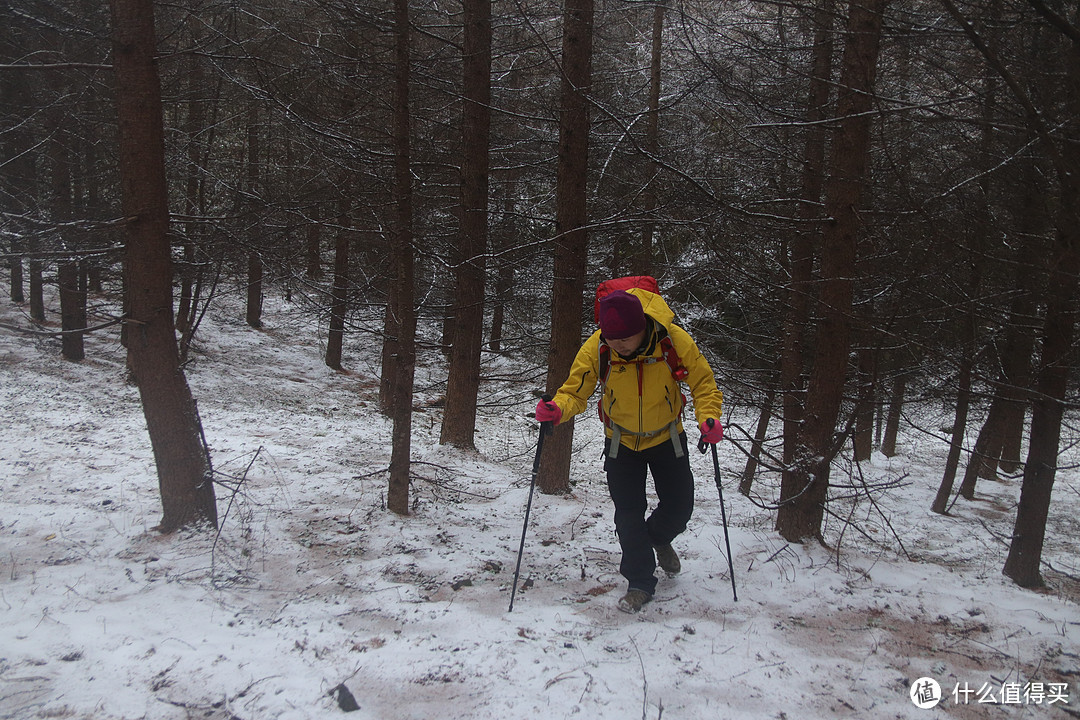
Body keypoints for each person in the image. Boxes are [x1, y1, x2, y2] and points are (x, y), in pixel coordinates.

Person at [536, 285, 724, 612]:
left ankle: (658, 537)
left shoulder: (673, 341)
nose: (618, 346)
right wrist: (557, 408)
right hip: (621, 442)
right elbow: (575, 391)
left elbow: (703, 383)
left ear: (642, 329)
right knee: (628, 515)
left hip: (668, 437)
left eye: (624, 339)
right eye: (611, 339)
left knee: (680, 509)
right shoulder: (598, 347)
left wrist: (708, 418)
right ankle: (639, 582)